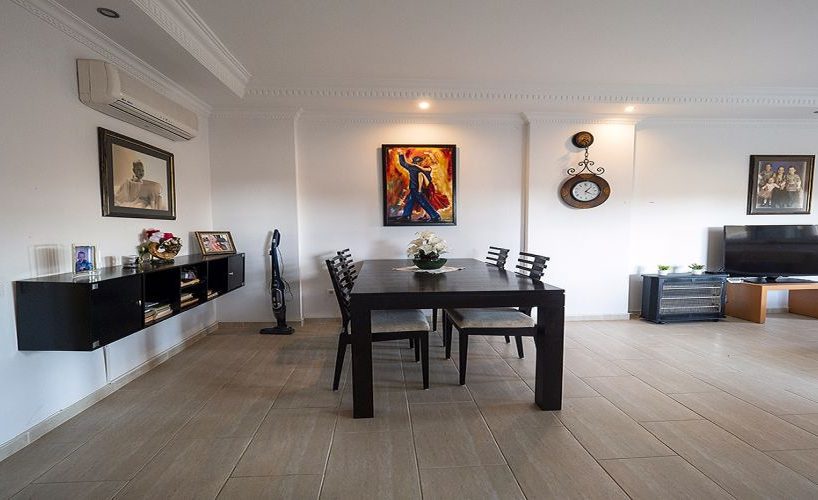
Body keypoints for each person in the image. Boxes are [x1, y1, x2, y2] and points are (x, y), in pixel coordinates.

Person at [396, 149, 440, 222]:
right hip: (419, 188)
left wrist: (401, 154)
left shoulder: (413, 167)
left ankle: (435, 216)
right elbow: (434, 165)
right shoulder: (425, 168)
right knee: (410, 200)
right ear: (419, 162)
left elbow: (403, 163)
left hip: (416, 188)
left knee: (422, 202)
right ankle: (406, 216)